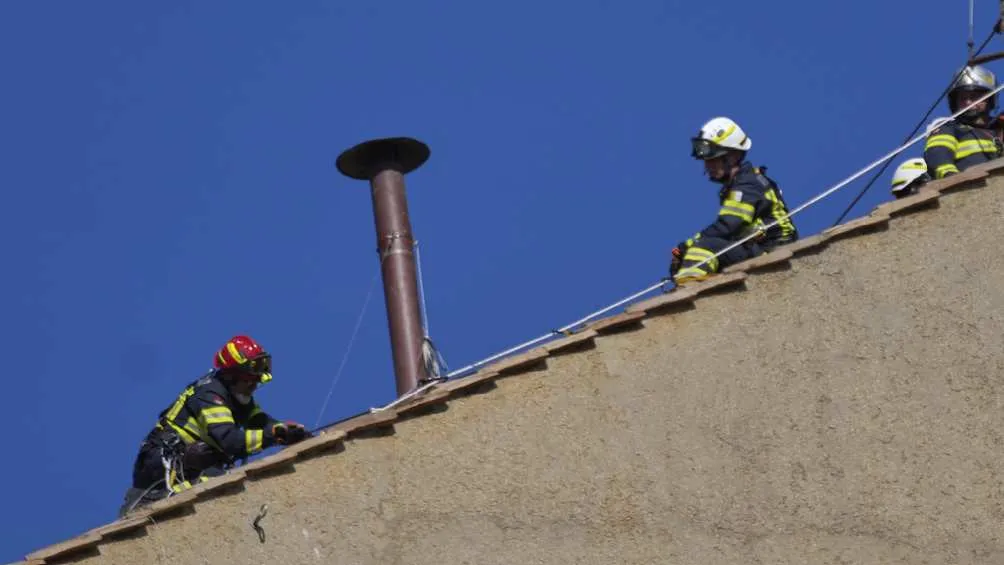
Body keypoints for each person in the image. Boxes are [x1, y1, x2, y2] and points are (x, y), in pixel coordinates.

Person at [119, 335, 309, 515]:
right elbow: (230, 440)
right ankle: (148, 501)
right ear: (232, 374)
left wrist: (289, 432)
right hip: (159, 464)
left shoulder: (239, 397)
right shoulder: (210, 395)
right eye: (251, 375)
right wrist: (273, 435)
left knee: (216, 475)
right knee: (212, 475)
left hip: (190, 463)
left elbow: (261, 422)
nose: (256, 381)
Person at [671, 117, 799, 284]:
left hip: (772, 252)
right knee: (699, 255)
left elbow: (728, 226)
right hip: (757, 250)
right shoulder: (740, 184)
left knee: (704, 247)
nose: (708, 166)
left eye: (713, 159)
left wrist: (687, 246)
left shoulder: (748, 184)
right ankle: (692, 284)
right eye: (706, 161)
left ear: (733, 156)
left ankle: (693, 287)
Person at [924, 64, 1002, 179]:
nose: (968, 102)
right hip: (972, 186)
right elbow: (938, 154)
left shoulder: (999, 128)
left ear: (990, 99)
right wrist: (951, 177)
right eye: (962, 98)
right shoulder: (949, 128)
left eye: (974, 97)